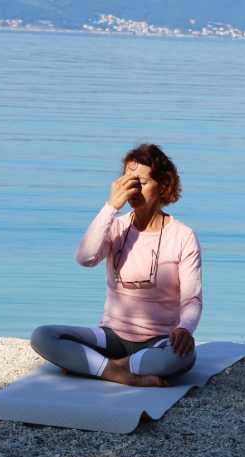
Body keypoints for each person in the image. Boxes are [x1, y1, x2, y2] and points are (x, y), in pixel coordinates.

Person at [31, 144, 202, 387]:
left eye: (141, 182)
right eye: (127, 181)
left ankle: (96, 366)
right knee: (43, 336)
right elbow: (85, 258)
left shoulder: (183, 236)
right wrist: (110, 207)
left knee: (182, 357)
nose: (133, 189)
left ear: (164, 185)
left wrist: (185, 328)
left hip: (158, 341)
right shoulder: (116, 227)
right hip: (111, 337)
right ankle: (117, 372)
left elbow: (191, 299)